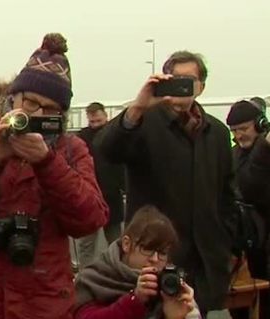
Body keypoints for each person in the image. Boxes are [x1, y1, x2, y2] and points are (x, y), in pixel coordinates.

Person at [0, 33, 109, 319]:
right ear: (12, 97)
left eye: (49, 110)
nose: (37, 114)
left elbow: (90, 218)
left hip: (42, 305)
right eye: (30, 103)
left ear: (61, 115)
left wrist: (47, 163)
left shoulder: (70, 150)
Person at [98, 52, 234, 314]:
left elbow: (227, 193)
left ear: (201, 87)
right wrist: (137, 108)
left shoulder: (217, 133)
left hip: (204, 261)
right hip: (154, 257)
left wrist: (226, 241)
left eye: (189, 80)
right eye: (175, 79)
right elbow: (107, 149)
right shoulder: (144, 122)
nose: (181, 86)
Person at [74, 205, 201, 319]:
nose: (155, 259)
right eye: (147, 249)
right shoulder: (96, 278)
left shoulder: (170, 286)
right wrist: (135, 300)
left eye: (162, 253)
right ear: (126, 244)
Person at [77, 102, 126, 267]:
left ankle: (117, 273)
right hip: (89, 197)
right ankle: (85, 275)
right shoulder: (82, 138)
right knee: (86, 245)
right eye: (92, 122)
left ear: (105, 116)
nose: (96, 125)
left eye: (98, 121)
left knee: (115, 244)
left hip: (111, 196)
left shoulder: (115, 135)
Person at [231, 100, 270, 284]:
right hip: (248, 241)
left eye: (243, 128)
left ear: (260, 124)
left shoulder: (262, 151)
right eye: (234, 130)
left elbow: (252, 185)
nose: (238, 135)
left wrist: (263, 148)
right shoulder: (234, 154)